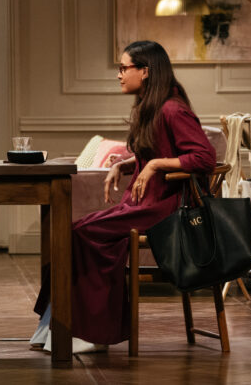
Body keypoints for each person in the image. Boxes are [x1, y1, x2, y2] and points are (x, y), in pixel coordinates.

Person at [31, 40, 216, 353]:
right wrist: (125, 164)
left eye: (123, 68)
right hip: (144, 203)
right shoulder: (153, 107)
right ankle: (58, 322)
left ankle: (92, 332)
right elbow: (156, 151)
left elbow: (204, 158)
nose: (119, 75)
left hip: (164, 209)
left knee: (84, 233)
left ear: (145, 71)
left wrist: (155, 165)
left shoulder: (173, 109)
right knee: (73, 231)